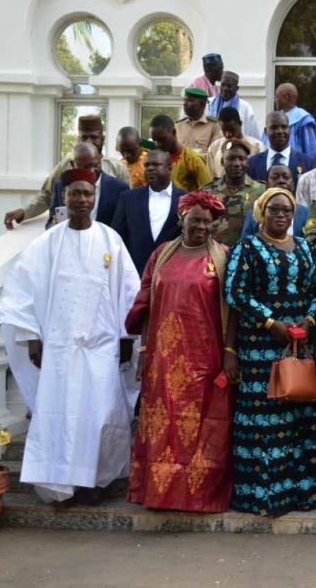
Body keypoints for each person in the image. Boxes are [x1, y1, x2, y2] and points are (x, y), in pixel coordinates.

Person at [0, 168, 140, 504]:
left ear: (94, 198)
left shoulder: (110, 240)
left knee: (102, 415)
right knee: (62, 414)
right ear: (64, 197)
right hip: (60, 349)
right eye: (75, 193)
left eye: (87, 194)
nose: (81, 200)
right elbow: (22, 292)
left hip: (101, 346)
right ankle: (63, 484)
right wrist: (33, 337)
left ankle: (97, 482)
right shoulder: (47, 243)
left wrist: (124, 337)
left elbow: (128, 293)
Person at [126, 192, 236, 512]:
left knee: (203, 426)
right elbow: (145, 305)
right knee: (163, 425)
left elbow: (233, 309)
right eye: (194, 220)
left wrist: (230, 353)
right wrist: (145, 350)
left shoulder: (223, 258)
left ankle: (199, 496)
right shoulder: (161, 255)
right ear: (182, 220)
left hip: (205, 357)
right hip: (163, 358)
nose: (200, 226)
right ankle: (159, 494)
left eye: (206, 221)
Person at [225, 187, 316, 516]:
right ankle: (263, 496)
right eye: (274, 209)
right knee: (264, 421)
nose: (281, 215)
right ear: (261, 212)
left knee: (297, 413)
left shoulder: (304, 247)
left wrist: (309, 320)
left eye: (286, 210)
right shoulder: (247, 247)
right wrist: (271, 324)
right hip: (260, 348)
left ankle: (300, 493)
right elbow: (235, 292)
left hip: (297, 344)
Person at [4, 115, 130, 229]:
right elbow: (47, 195)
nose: (89, 142)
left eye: (93, 137)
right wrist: (24, 212)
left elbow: (126, 209)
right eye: (84, 137)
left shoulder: (117, 168)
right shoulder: (67, 164)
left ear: (102, 139)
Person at [111, 150, 186, 274]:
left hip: (171, 274)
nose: (150, 168)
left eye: (156, 165)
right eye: (147, 165)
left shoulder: (185, 199)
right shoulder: (128, 198)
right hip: (134, 273)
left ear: (169, 168)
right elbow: (117, 236)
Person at [47, 142, 129, 229]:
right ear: (72, 165)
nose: (91, 171)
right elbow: (50, 223)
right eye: (85, 167)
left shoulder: (120, 189)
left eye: (96, 165)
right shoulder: (61, 186)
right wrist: (54, 225)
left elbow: (124, 227)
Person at [202, 140, 265, 246]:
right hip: (216, 252)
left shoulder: (261, 190)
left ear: (247, 163)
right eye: (231, 159)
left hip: (250, 252)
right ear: (222, 162)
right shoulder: (208, 192)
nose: (236, 164)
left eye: (241, 159)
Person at [241, 164, 311, 240]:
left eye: (286, 177)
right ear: (266, 185)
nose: (281, 180)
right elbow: (245, 243)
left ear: (293, 185)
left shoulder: (306, 213)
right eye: (275, 178)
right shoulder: (253, 215)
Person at [248, 110, 315, 184]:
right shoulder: (252, 164)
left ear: (289, 130)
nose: (279, 131)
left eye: (284, 127)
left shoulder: (308, 163)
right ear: (265, 131)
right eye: (274, 127)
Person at [149, 114, 212, 192]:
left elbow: (208, 191)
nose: (158, 144)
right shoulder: (158, 161)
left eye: (161, 139)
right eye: (154, 140)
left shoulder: (192, 158)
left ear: (173, 132)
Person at [208, 107, 265, 178]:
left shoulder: (257, 146)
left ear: (240, 124)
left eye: (232, 130)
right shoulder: (214, 147)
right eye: (224, 130)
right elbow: (210, 176)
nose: (228, 134)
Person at [207, 71, 260, 140]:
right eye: (223, 85)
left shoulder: (245, 107)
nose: (225, 88)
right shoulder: (209, 103)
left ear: (237, 88)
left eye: (229, 86)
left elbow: (254, 136)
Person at [275, 82, 316, 160]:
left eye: (277, 97)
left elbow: (310, 149)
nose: (275, 100)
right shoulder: (276, 117)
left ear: (286, 97)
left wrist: (307, 167)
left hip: (298, 167)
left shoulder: (303, 119)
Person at [175, 87, 221, 156]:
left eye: (190, 101)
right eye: (184, 101)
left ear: (202, 104)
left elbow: (214, 154)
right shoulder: (178, 126)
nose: (185, 104)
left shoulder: (214, 126)